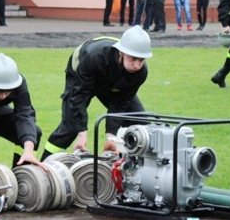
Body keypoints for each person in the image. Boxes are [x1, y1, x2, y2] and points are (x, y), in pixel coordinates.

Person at [40, 27, 152, 159]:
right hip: (81, 75)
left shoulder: (140, 73)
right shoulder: (94, 57)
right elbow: (79, 97)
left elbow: (120, 103)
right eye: (133, 59)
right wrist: (82, 133)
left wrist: (112, 136)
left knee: (139, 121)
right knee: (71, 126)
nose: (136, 65)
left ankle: (126, 167)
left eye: (141, 60)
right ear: (122, 53)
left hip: (112, 81)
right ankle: (45, 163)